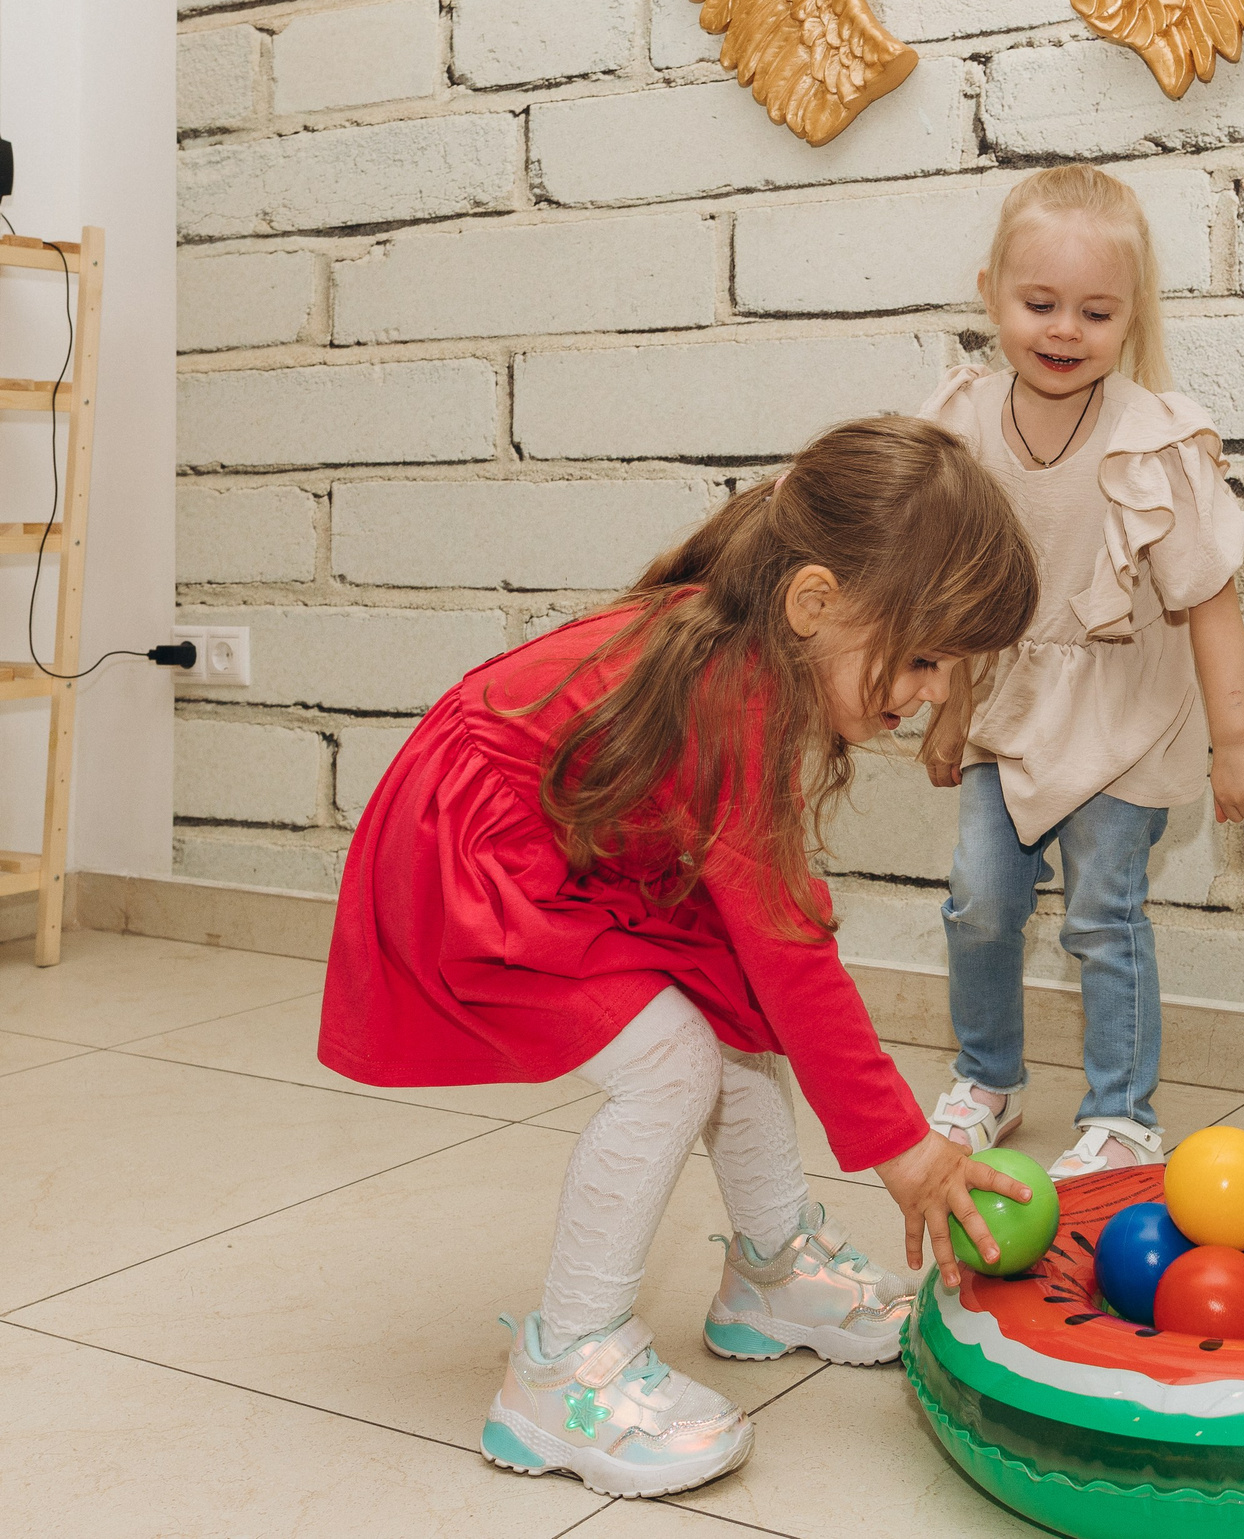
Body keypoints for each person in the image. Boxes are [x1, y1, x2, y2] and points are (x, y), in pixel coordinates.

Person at [319, 417, 1041, 1499]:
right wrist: (909, 1152)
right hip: (475, 856)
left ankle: (772, 1273)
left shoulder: (755, 656)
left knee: (732, 1011)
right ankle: (560, 1370)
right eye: (928, 657)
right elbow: (794, 950)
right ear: (814, 603)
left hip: (560, 837)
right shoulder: (728, 687)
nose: (936, 689)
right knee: (671, 1063)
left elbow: (773, 950)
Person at [917, 165, 1244, 1180]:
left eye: (1095, 311)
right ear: (992, 292)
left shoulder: (1150, 440)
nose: (1063, 330)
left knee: (1101, 914)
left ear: (1130, 317)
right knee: (980, 900)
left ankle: (1120, 1113)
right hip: (1004, 706)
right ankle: (987, 1076)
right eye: (1040, 304)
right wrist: (943, 713)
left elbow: (1209, 595)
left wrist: (1235, 741)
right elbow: (935, 589)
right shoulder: (961, 418)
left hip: (1121, 713)